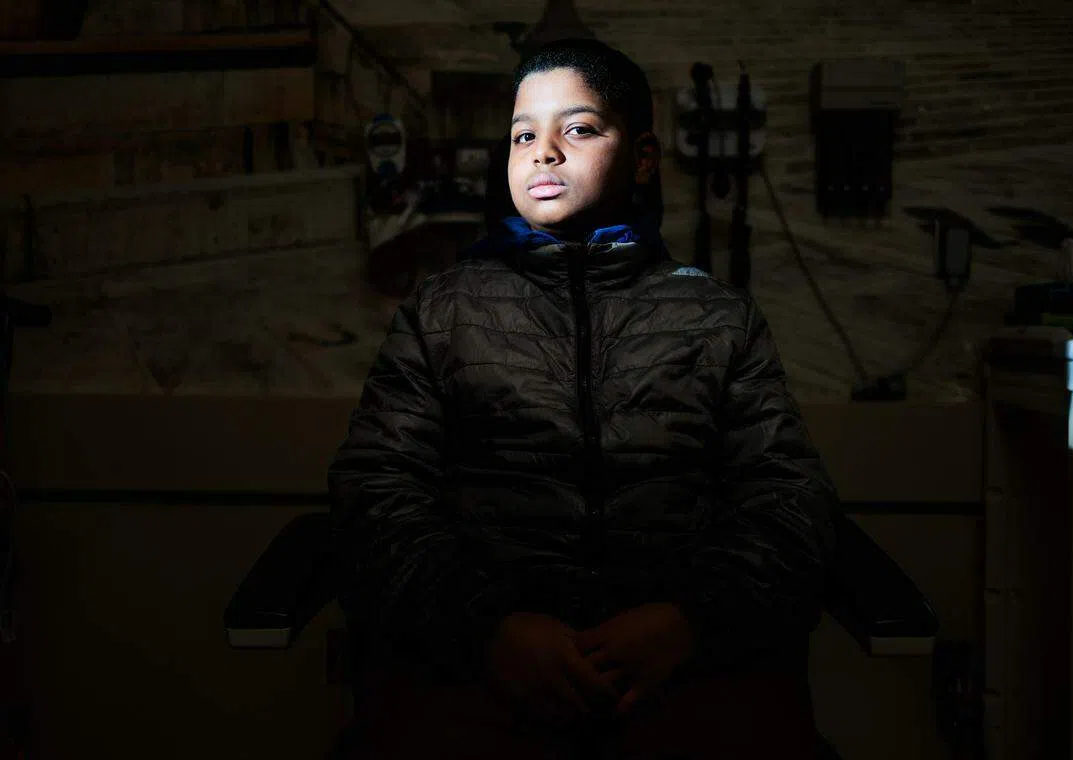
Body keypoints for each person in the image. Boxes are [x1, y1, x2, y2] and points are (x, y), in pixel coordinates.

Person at [327, 37, 838, 760]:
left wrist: (690, 622)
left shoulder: (718, 319)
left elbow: (789, 500)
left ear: (643, 157)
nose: (543, 151)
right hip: (480, 672)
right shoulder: (442, 314)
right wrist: (487, 630)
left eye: (579, 128)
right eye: (522, 136)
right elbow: (375, 492)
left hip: (679, 673)